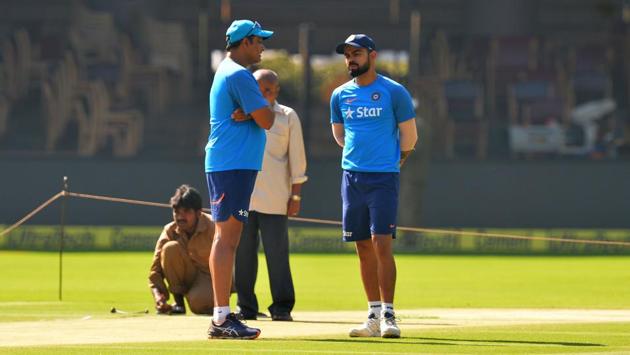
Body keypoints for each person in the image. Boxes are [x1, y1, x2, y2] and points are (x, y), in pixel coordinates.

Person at [329, 34, 418, 338]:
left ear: (372, 56)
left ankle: (390, 316)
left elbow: (410, 137)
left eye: (357, 53)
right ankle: (372, 315)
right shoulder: (340, 95)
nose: (351, 59)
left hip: (383, 178)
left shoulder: (394, 92)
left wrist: (394, 161)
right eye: (347, 54)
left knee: (382, 243)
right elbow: (340, 136)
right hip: (352, 178)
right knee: (362, 247)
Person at [205, 19, 275, 340]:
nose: (262, 46)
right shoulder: (239, 74)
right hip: (232, 165)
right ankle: (221, 319)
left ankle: (221, 316)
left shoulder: (227, 71)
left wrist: (250, 112)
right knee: (227, 238)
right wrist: (256, 111)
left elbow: (256, 115)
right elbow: (269, 119)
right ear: (245, 42)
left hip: (232, 164)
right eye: (259, 40)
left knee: (227, 237)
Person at [234, 69, 307, 322]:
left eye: (271, 90)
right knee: (242, 254)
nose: (267, 95)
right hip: (243, 195)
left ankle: (282, 307)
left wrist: (295, 196)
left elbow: (297, 159)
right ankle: (245, 307)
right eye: (261, 89)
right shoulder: (238, 113)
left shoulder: (287, 116)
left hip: (276, 197)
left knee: (277, 254)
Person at [148, 184, 214, 315]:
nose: (180, 217)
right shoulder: (170, 230)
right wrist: (158, 296)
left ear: (199, 212)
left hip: (210, 277)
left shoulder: (213, 226)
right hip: (188, 276)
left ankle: (215, 304)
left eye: (186, 212)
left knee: (198, 303)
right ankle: (179, 304)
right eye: (176, 212)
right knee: (170, 248)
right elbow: (155, 270)